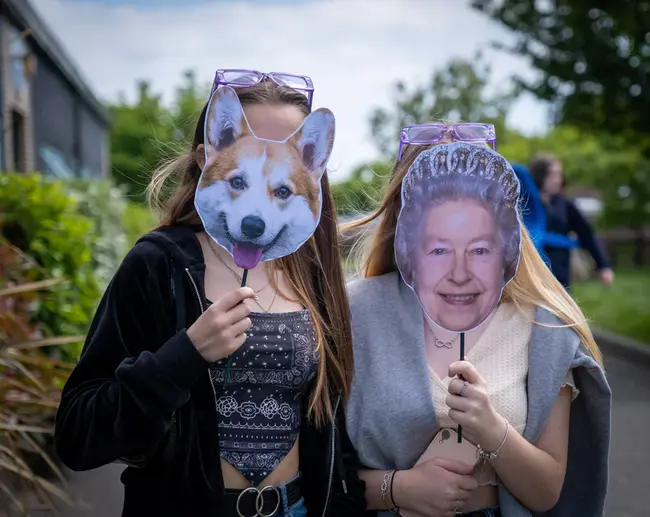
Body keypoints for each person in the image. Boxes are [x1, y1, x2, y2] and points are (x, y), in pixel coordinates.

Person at [54, 73, 366, 517]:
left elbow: (333, 431)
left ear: (312, 174)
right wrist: (184, 355)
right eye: (240, 178)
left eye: (280, 187)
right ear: (207, 157)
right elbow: (77, 434)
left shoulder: (314, 278)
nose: (256, 209)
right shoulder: (158, 265)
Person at [342, 132, 611, 517]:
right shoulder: (357, 312)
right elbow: (321, 470)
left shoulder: (544, 329)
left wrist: (491, 429)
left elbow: (546, 491)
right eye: (439, 247)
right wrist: (397, 489)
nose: (459, 272)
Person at [529, 152, 614, 290]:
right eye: (553, 175)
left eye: (559, 175)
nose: (558, 180)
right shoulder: (524, 204)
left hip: (559, 278)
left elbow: (586, 234)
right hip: (531, 276)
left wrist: (603, 266)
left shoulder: (565, 205)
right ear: (540, 175)